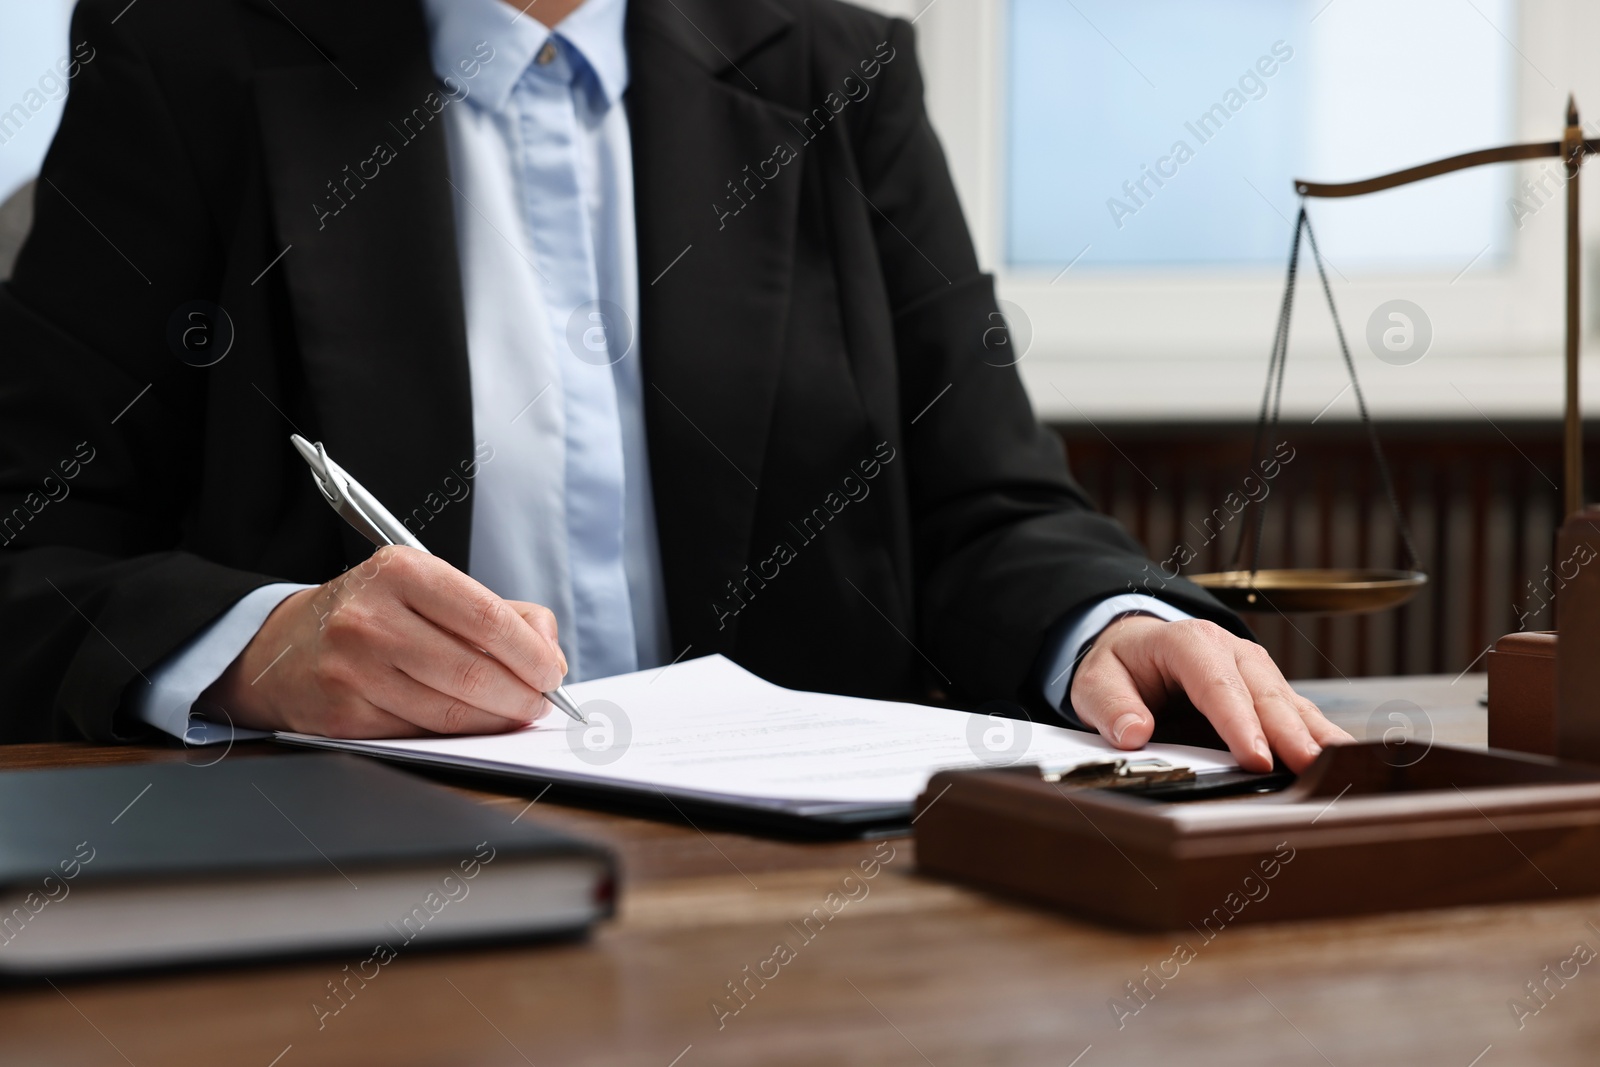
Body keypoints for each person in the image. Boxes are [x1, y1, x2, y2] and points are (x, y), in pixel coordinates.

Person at [0, 0, 1350, 770]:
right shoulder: (184, 63)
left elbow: (983, 508)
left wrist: (1104, 625)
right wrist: (258, 649)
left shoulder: (839, 73)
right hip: (354, 907)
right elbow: (28, 547)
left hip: (806, 914)